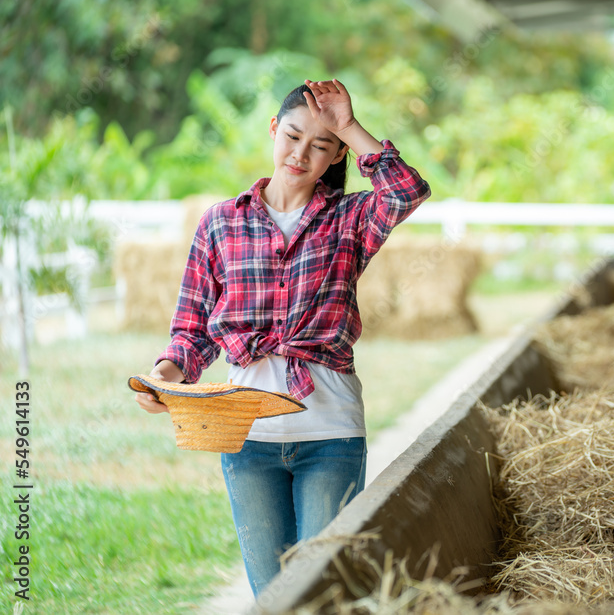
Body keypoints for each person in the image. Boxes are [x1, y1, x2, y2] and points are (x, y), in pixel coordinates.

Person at [135, 78, 431, 597]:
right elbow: (193, 330)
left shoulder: (349, 218)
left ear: (337, 153)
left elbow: (407, 190)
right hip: (246, 437)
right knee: (273, 596)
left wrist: (349, 126)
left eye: (321, 145)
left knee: (325, 591)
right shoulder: (222, 222)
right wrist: (164, 376)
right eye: (293, 136)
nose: (301, 154)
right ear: (273, 129)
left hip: (330, 434)